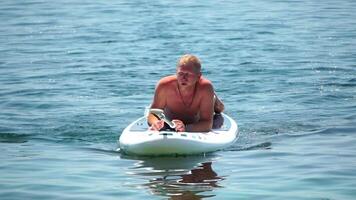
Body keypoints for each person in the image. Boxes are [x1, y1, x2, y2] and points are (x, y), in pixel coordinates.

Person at [147, 54, 224, 132]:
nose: (183, 78)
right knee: (151, 111)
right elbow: (153, 113)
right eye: (181, 73)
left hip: (195, 121)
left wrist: (186, 128)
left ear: (198, 76)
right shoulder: (164, 85)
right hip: (170, 121)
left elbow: (207, 124)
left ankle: (215, 100)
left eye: (188, 74)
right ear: (176, 73)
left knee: (219, 111)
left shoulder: (206, 87)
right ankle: (212, 98)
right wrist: (156, 123)